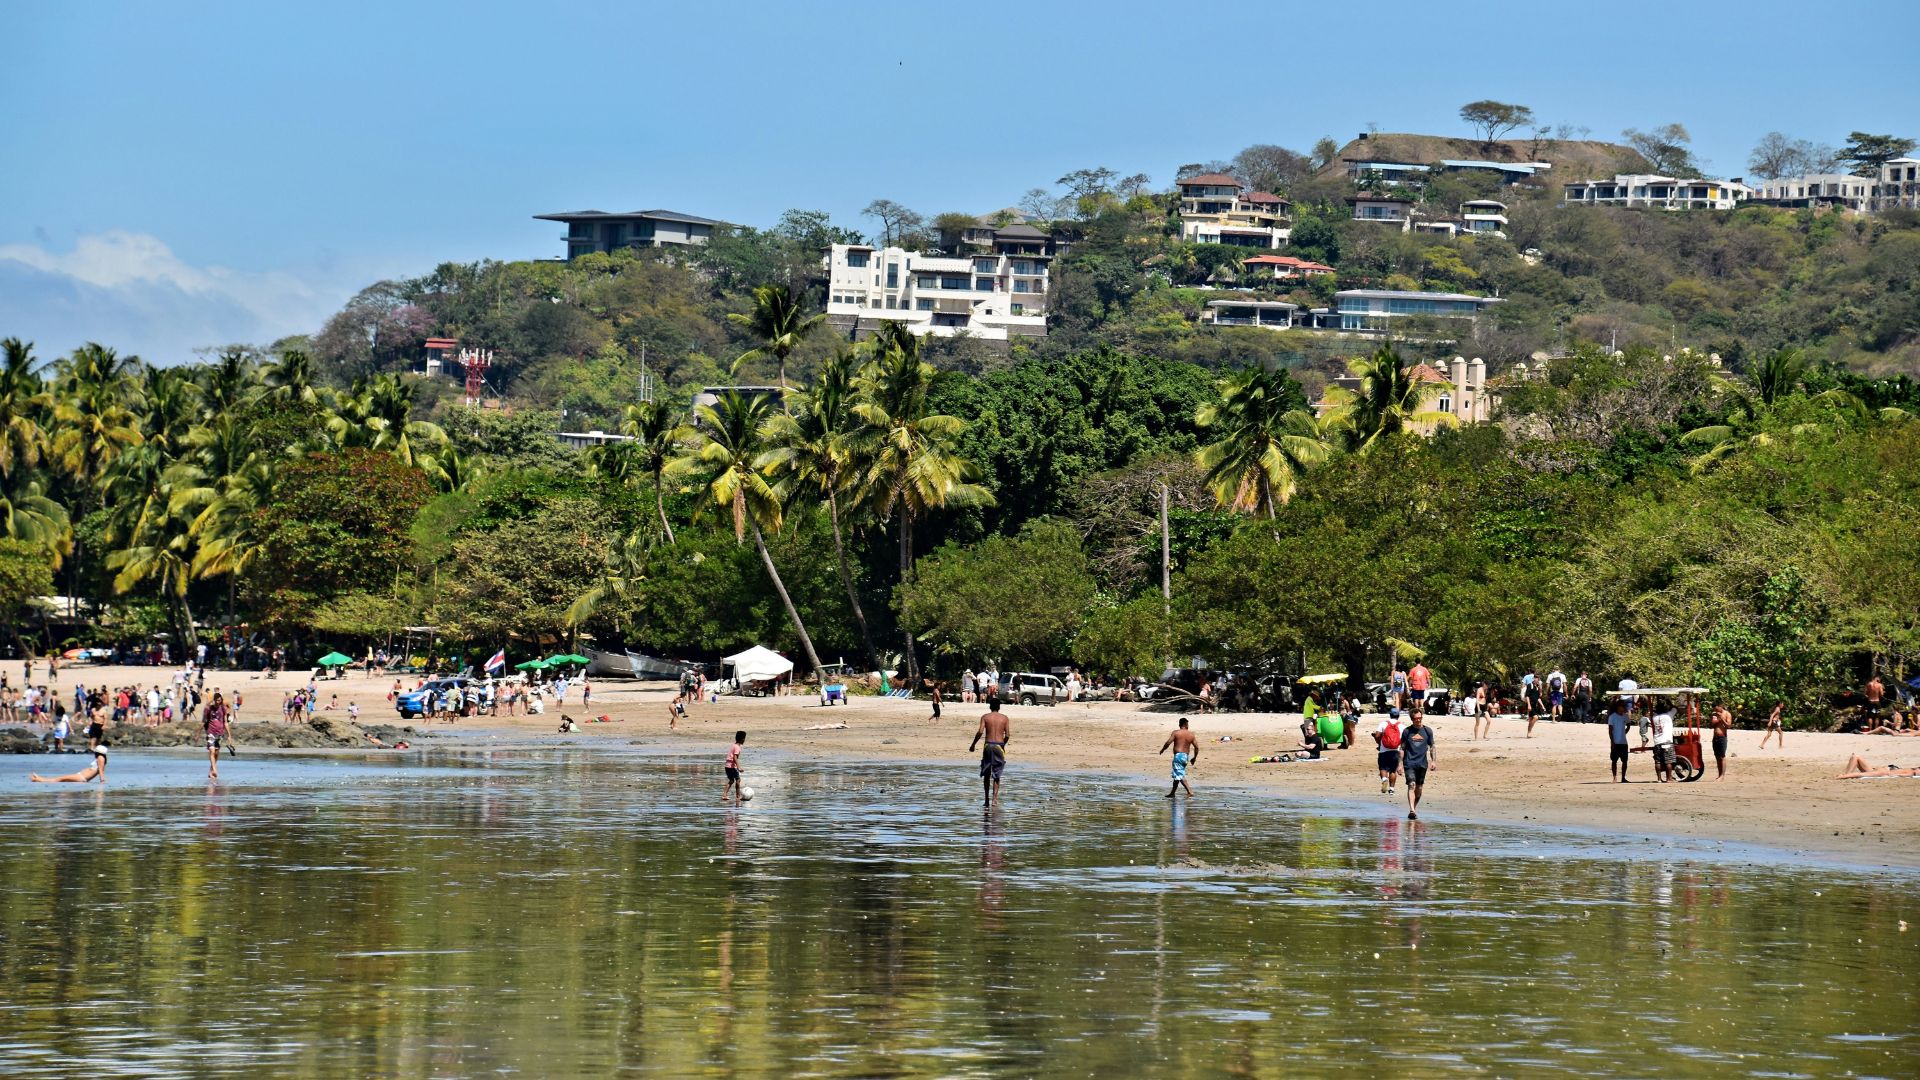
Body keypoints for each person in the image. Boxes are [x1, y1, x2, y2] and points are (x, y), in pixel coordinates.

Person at [969, 699, 1011, 806]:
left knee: (987, 773)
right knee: (997, 774)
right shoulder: (1005, 718)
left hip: (988, 745)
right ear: (999, 707)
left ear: (990, 707)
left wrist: (973, 744)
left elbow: (980, 732)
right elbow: (1007, 735)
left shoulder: (985, 717)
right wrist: (1002, 745)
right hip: (999, 745)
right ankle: (994, 800)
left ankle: (986, 800)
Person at [1401, 709, 1436, 820]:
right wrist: (1399, 764)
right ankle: (1412, 810)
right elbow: (1402, 748)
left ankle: (1413, 809)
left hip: (1422, 764)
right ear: (1412, 719)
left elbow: (1432, 747)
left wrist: (1434, 761)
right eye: (1416, 719)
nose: (1418, 720)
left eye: (1420, 718)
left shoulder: (1427, 731)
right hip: (1409, 763)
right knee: (1411, 785)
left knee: (1419, 789)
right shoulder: (1407, 731)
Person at [1159, 716, 1198, 798]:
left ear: (1180, 725)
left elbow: (1168, 742)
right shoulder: (1191, 734)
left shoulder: (1176, 733)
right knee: (1177, 774)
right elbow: (1196, 747)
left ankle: (1190, 791)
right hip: (1186, 757)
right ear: (1186, 725)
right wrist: (1194, 758)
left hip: (1178, 756)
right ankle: (1172, 793)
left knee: (1179, 775)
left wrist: (1163, 749)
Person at [30, 743, 107, 783]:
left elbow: (101, 770)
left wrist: (102, 781)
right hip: (81, 776)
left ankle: (39, 780)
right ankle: (39, 779)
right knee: (60, 779)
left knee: (60, 779)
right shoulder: (101, 758)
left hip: (82, 777)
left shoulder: (100, 758)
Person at [1373, 707, 1403, 796]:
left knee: (1383, 768)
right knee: (1393, 771)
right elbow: (1404, 740)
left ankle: (1384, 779)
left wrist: (1379, 744)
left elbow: (1377, 735)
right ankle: (1391, 789)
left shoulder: (1383, 724)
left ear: (1390, 715)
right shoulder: (1402, 726)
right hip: (1396, 751)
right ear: (1398, 715)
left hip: (1384, 750)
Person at [203, 691, 230, 779]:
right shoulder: (209, 708)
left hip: (220, 733)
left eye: (220, 700)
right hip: (211, 732)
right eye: (217, 700)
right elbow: (204, 717)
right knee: (212, 751)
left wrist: (229, 735)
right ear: (214, 700)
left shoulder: (223, 709)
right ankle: (215, 770)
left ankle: (211, 771)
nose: (218, 702)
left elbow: (225, 722)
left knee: (216, 753)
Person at [1648, 700, 1676, 783]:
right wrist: (1669, 701)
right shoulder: (1669, 715)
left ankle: (1659, 779)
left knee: (1658, 761)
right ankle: (1669, 778)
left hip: (1657, 741)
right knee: (1668, 761)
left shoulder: (1654, 717)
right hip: (1667, 741)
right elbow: (1675, 708)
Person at [1607, 698, 1633, 782]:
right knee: (1614, 760)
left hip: (1623, 742)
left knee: (1624, 761)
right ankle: (1614, 777)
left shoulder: (1625, 716)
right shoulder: (1612, 716)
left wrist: (1625, 732)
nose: (1624, 708)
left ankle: (1623, 777)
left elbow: (1629, 725)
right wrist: (1612, 741)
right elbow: (1610, 730)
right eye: (1623, 706)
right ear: (1618, 707)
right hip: (1616, 742)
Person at [1834, 755, 1920, 779]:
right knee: (1856, 758)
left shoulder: (1915, 771)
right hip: (1886, 771)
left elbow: (1906, 775)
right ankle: (1845, 775)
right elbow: (1908, 775)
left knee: (1855, 758)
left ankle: (1844, 776)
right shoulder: (1915, 771)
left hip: (1887, 771)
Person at [1710, 702, 1733, 780]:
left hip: (1722, 737)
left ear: (1720, 706)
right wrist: (1717, 719)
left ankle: (1722, 776)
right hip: (1715, 737)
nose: (1716, 711)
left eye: (1717, 709)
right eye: (1714, 709)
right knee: (1717, 756)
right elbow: (1712, 725)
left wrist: (1722, 719)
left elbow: (1729, 726)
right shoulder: (1714, 714)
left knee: (1722, 756)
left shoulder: (1727, 714)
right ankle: (1719, 775)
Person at [724, 730, 746, 805]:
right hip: (732, 766)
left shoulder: (733, 745)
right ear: (742, 739)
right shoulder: (737, 747)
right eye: (744, 738)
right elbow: (735, 758)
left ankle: (724, 795)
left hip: (727, 766)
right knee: (738, 780)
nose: (744, 740)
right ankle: (737, 796)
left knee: (731, 781)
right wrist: (739, 767)